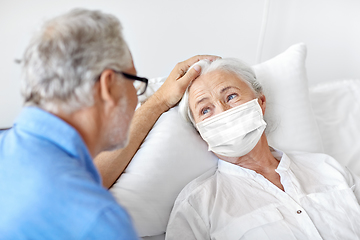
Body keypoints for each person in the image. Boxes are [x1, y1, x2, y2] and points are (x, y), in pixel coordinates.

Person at [0, 8, 218, 239]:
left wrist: (160, 101)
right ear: (107, 85)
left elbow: (86, 177)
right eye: (134, 81)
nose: (136, 95)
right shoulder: (100, 222)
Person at [166, 58, 360, 239]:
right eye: (205, 110)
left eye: (231, 96)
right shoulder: (198, 205)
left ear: (260, 102)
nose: (223, 113)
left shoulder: (327, 168)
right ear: (200, 132)